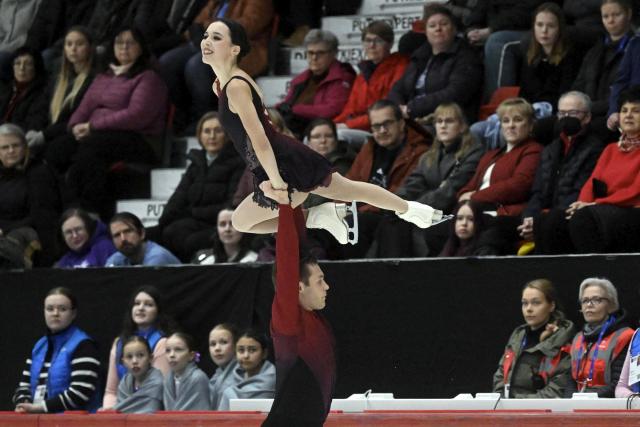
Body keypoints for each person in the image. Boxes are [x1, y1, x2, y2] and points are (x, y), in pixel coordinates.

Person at [202, 19, 446, 250]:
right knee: (349, 189)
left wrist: (277, 183)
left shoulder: (235, 86)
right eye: (206, 36)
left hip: (280, 162)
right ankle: (409, 210)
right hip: (279, 158)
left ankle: (329, 215)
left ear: (235, 49)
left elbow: (260, 139)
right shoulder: (221, 85)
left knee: (242, 222)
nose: (207, 42)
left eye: (216, 37)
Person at [482, 91, 605, 255]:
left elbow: (579, 192)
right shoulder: (550, 150)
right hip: (541, 217)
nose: (567, 117)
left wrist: (538, 222)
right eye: (562, 113)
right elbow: (537, 192)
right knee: (496, 226)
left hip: (566, 216)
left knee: (549, 223)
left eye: (573, 113)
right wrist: (529, 219)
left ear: (587, 117)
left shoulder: (595, 149)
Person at [64, 26, 168, 216]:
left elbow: (136, 115)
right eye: (119, 42)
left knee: (93, 147)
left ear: (141, 48)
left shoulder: (148, 77)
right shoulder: (104, 76)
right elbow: (84, 107)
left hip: (140, 140)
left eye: (130, 43)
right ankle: (73, 212)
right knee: (59, 149)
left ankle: (88, 212)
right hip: (100, 137)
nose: (124, 47)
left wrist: (92, 126)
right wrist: (74, 127)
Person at [370, 102, 485, 258]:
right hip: (426, 209)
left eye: (449, 121)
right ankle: (389, 271)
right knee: (390, 219)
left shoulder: (474, 152)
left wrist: (412, 208)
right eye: (439, 121)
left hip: (450, 212)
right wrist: (395, 203)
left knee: (399, 223)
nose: (443, 126)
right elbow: (413, 184)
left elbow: (449, 191)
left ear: (462, 126)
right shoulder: (429, 155)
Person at [262, 204, 335, 426]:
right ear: (298, 286)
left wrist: (293, 201)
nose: (327, 286)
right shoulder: (289, 324)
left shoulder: (313, 318)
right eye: (320, 280)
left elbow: (298, 245)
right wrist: (284, 203)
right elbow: (287, 253)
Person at [543, 86, 640, 253]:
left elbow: (634, 191)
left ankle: (594, 274)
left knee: (584, 219)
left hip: (632, 210)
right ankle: (555, 276)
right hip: (603, 209)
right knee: (552, 219)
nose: (628, 115)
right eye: (624, 110)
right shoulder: (611, 149)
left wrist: (593, 205)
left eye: (636, 111)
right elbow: (592, 182)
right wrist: (582, 203)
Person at [156, 111, 244, 261]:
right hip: (194, 221)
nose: (212, 136)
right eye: (207, 131)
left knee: (191, 241)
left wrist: (200, 214)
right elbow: (179, 197)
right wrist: (162, 223)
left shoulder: (238, 162)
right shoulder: (197, 163)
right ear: (200, 136)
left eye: (218, 131)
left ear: (228, 135)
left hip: (219, 224)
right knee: (163, 233)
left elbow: (232, 201)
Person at [388, 4, 483, 122]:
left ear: (454, 30)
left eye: (444, 24)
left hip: (448, 122)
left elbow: (455, 93)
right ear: (426, 32)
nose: (438, 28)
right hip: (412, 118)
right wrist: (399, 109)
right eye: (432, 26)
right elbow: (397, 89)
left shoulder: (467, 56)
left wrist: (412, 108)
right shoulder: (420, 56)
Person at [12, 287, 101, 413]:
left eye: (62, 309)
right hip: (38, 420)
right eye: (50, 309)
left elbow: (80, 393)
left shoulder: (84, 345)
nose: (55, 313)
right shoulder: (39, 346)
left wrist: (40, 408)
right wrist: (23, 402)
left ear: (73, 313)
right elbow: (23, 387)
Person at [493, 279, 576, 398]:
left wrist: (515, 404)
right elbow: (501, 373)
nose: (529, 309)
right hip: (508, 408)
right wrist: (500, 400)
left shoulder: (562, 340)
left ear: (551, 306)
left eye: (536, 303)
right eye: (524, 303)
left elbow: (556, 390)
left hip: (541, 412)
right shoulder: (518, 336)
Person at [571, 0, 634, 140]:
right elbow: (578, 86)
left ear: (628, 14)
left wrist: (588, 109)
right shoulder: (594, 52)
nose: (611, 20)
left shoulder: (635, 49)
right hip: (587, 112)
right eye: (606, 16)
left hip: (614, 115)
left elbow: (629, 92)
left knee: (592, 129)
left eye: (616, 15)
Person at [102, 286, 174, 409]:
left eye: (148, 304)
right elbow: (111, 392)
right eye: (137, 303)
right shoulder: (118, 343)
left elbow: (155, 391)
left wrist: (118, 411)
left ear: (158, 311)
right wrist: (109, 415)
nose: (140, 308)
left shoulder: (163, 343)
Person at [276, 29, 356, 138]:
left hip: (321, 131)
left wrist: (295, 109)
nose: (314, 58)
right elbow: (287, 104)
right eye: (310, 53)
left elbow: (332, 110)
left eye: (320, 53)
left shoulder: (342, 77)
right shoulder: (301, 79)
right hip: (294, 128)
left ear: (334, 53)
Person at [0, 123, 61, 266]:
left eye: (16, 146)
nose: (11, 151)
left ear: (25, 147)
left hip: (31, 235)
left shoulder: (39, 173)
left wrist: (5, 230)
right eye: (4, 147)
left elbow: (42, 216)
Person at [333, 21, 409, 132]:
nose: (372, 46)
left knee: (340, 136)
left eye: (378, 41)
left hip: (382, 128)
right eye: (368, 41)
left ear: (390, 44)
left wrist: (349, 125)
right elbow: (349, 109)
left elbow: (387, 110)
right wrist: (330, 125)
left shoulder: (400, 67)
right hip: (359, 126)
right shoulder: (363, 73)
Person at [33, 27, 95, 164]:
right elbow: (42, 107)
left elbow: (75, 119)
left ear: (90, 48)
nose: (73, 49)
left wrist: (43, 135)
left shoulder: (95, 78)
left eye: (79, 44)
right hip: (49, 131)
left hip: (71, 134)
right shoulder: (57, 74)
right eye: (69, 44)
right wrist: (34, 130)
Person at [465, 0, 547, 101]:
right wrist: (472, 30)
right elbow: (479, 11)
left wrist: (491, 30)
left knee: (497, 42)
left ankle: (500, 107)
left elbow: (528, 12)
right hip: (494, 30)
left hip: (531, 29)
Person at [567, 277, 633, 397]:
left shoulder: (625, 337)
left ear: (611, 305)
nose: (589, 305)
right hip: (577, 405)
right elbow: (570, 380)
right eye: (585, 300)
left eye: (596, 300)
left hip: (608, 405)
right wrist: (570, 401)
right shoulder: (577, 338)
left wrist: (588, 400)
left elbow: (618, 385)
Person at [517, 3, 582, 112]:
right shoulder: (529, 54)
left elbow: (565, 94)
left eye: (551, 26)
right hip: (529, 112)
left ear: (560, 29)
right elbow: (524, 93)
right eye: (539, 25)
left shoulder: (571, 56)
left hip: (556, 111)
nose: (544, 31)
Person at [303, 118, 356, 209]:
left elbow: (319, 202)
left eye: (328, 136)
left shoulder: (342, 164)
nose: (323, 141)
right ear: (308, 142)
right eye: (316, 137)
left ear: (336, 140)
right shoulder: (303, 163)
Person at [217, 330, 276, 410]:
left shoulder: (273, 379)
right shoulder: (229, 378)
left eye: (252, 350)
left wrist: (229, 393)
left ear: (264, 353)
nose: (246, 356)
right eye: (241, 350)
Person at [0, 47, 49, 132]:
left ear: (36, 67)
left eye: (28, 64)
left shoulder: (43, 93)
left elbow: (33, 125)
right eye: (17, 63)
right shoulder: (8, 89)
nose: (22, 68)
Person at [106, 212, 180, 267]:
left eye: (128, 231)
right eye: (117, 235)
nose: (123, 239)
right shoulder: (116, 259)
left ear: (142, 233)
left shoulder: (157, 257)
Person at [112, 335, 164, 413]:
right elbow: (118, 414)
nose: (135, 361)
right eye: (129, 357)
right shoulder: (125, 382)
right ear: (123, 362)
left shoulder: (158, 382)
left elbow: (119, 410)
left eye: (140, 355)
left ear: (150, 358)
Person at [192, 207, 258, 265]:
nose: (227, 229)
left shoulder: (255, 260)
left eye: (233, 224)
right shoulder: (203, 260)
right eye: (222, 224)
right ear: (217, 229)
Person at [163, 332, 210, 410]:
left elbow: (202, 412)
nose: (171, 355)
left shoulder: (198, 378)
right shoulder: (168, 379)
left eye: (178, 350)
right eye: (168, 351)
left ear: (191, 355)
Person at [208, 323, 240, 410]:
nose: (217, 348)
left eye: (224, 342)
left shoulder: (242, 373)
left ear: (235, 346)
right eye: (213, 344)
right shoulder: (216, 376)